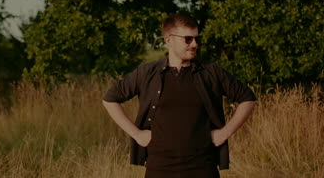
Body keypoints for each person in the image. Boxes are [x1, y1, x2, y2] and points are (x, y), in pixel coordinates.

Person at [102, 13, 256, 178]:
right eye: (188, 39)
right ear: (168, 40)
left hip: (203, 168)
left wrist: (224, 133)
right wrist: (137, 134)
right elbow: (110, 99)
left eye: (197, 39)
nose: (194, 44)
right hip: (159, 169)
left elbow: (247, 98)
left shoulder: (211, 72)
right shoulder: (147, 73)